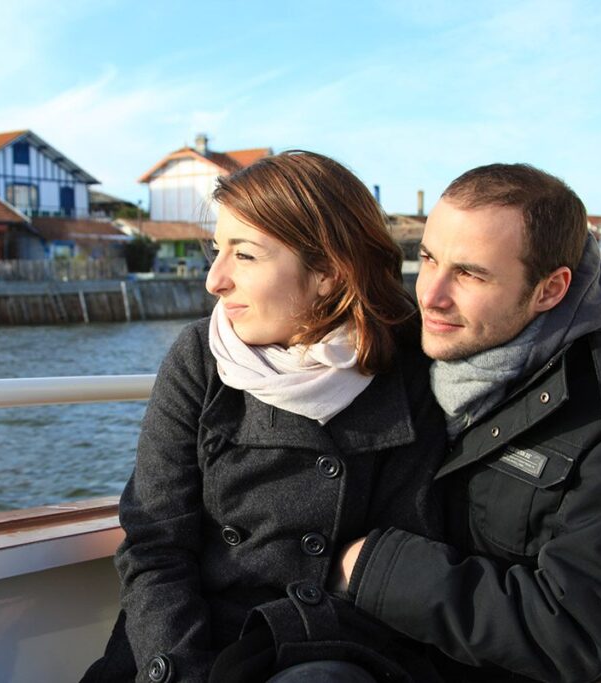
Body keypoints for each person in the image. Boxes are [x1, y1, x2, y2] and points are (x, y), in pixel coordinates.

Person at [81, 151, 447, 682]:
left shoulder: (408, 366)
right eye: (216, 251)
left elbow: (405, 551)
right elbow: (156, 544)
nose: (214, 280)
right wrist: (176, 669)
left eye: (245, 256)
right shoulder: (200, 359)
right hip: (192, 643)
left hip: (336, 647)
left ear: (327, 272)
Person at [323, 163, 601, 682]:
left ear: (549, 290)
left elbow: (575, 629)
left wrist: (374, 568)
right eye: (428, 259)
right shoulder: (408, 348)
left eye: (470, 274)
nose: (429, 296)